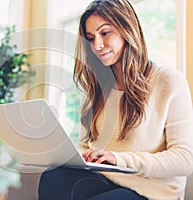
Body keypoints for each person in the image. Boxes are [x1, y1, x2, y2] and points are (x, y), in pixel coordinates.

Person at [38, 0, 193, 199]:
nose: (97, 45)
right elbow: (86, 144)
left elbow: (185, 159)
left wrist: (118, 159)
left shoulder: (168, 80)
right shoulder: (97, 89)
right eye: (90, 38)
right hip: (105, 179)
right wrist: (78, 155)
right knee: (52, 177)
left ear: (126, 29)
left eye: (105, 33)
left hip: (151, 190)